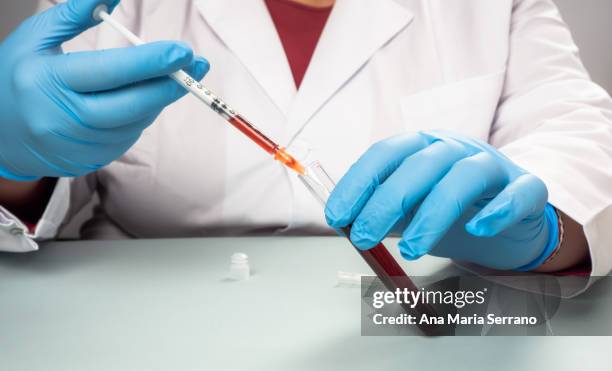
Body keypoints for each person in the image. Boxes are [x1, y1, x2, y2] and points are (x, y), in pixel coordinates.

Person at [0, 0, 611, 280]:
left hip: (414, 315)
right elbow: (32, 161)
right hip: (132, 333)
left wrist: (545, 230)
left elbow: (576, 132)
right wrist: (8, 159)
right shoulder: (110, 9)